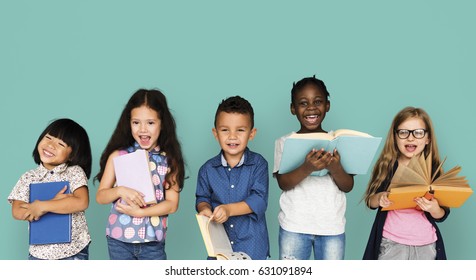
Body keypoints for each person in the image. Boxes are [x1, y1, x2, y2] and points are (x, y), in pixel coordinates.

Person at [95, 88, 185, 260]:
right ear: (128, 123)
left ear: (162, 124)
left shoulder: (170, 160)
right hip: (118, 239)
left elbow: (172, 204)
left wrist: (141, 213)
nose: (143, 129)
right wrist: (120, 190)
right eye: (136, 122)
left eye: (150, 123)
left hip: (153, 241)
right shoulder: (118, 156)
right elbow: (101, 196)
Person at [273, 75, 354, 260]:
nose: (311, 107)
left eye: (318, 101)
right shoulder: (284, 142)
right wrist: (307, 167)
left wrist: (335, 167)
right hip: (294, 226)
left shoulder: (338, 142)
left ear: (327, 105)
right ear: (293, 109)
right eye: (303, 103)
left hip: (332, 227)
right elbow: (283, 183)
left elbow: (348, 186)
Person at [363, 107, 449, 260]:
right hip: (391, 243)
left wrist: (434, 208)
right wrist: (381, 197)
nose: (410, 138)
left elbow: (442, 214)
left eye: (418, 132)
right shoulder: (386, 166)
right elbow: (370, 201)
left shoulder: (433, 169)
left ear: (427, 138)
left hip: (426, 245)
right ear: (395, 137)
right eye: (403, 132)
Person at [195, 96, 270, 260]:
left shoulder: (259, 164)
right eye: (225, 130)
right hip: (219, 249)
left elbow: (259, 200)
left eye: (240, 130)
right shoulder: (207, 170)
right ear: (215, 133)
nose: (232, 136)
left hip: (252, 247)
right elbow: (202, 198)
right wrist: (204, 209)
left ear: (252, 133)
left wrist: (228, 210)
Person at [8, 118, 92, 260]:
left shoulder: (74, 172)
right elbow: (17, 211)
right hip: (39, 254)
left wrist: (42, 206)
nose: (51, 145)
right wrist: (51, 203)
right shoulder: (28, 177)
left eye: (61, 144)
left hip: (73, 251)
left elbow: (81, 202)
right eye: (48, 138)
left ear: (72, 154)